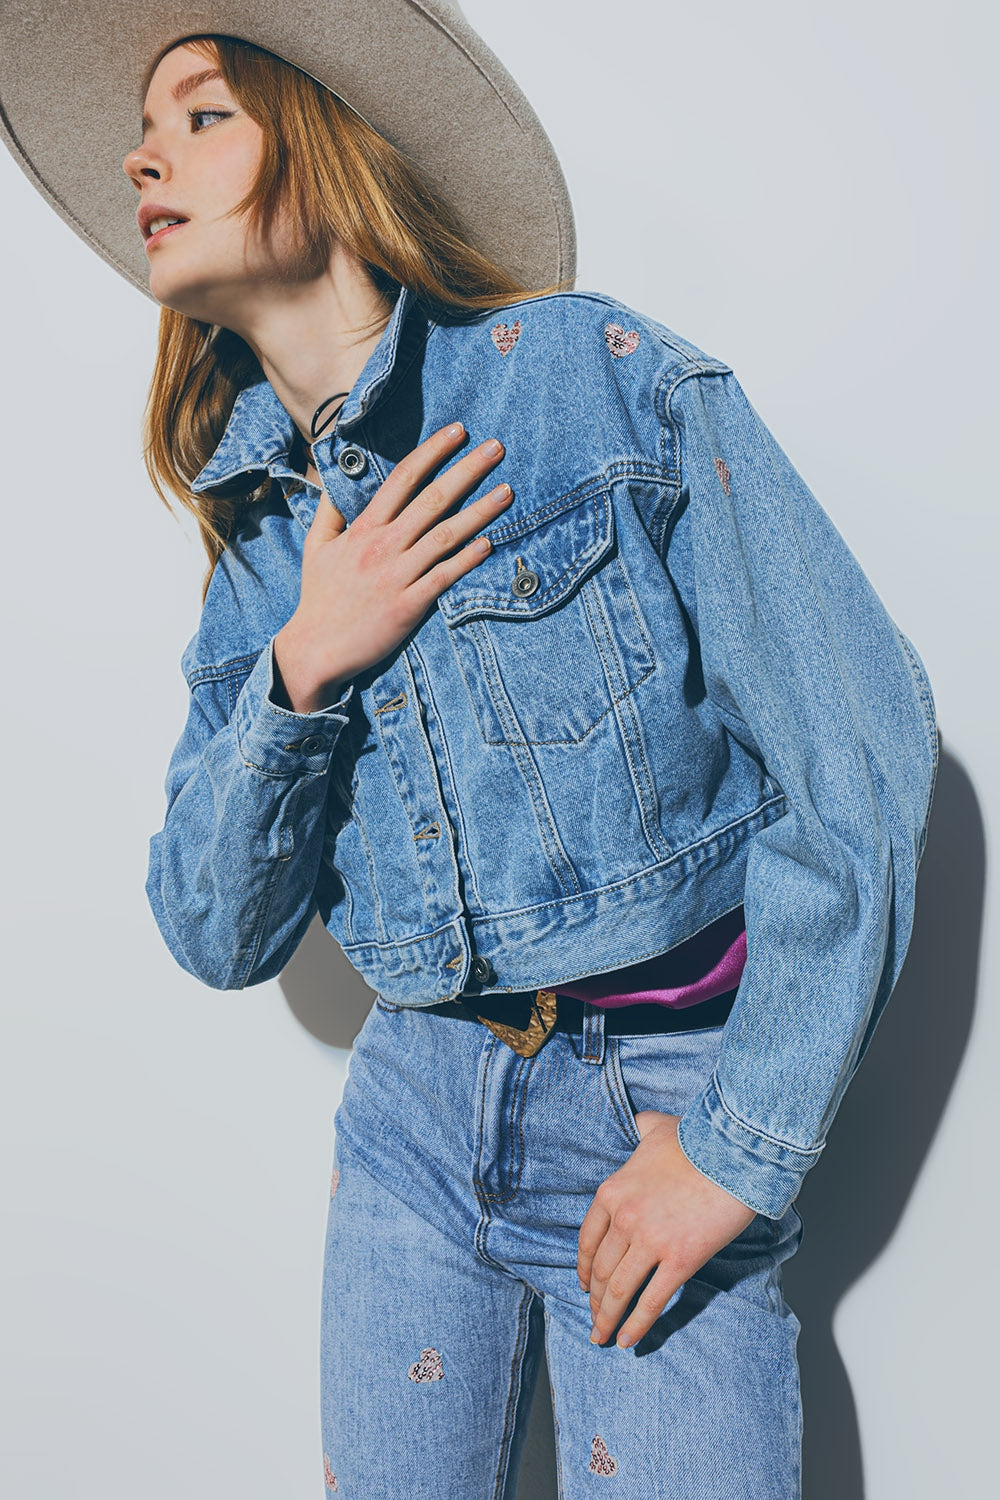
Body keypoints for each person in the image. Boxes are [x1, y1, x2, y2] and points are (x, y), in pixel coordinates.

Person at [0, 6, 939, 1496]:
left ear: (322, 146)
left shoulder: (589, 379)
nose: (141, 154)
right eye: (147, 126)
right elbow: (213, 931)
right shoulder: (257, 548)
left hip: (662, 1103)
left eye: (201, 116)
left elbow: (864, 743)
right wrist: (309, 665)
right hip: (416, 1122)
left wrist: (735, 1148)